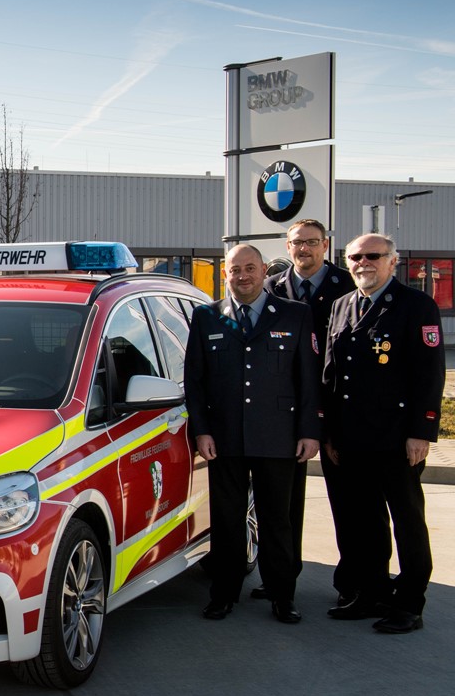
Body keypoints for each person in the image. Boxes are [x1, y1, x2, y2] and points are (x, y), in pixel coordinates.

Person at [185, 244, 320, 624]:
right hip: (224, 438)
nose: (242, 275)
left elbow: (308, 379)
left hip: (278, 437)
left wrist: (310, 431)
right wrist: (202, 430)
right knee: (226, 521)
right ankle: (224, 594)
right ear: (224, 274)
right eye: (234, 269)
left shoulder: (296, 315)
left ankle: (282, 596)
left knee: (276, 521)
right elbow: (194, 381)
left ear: (264, 271)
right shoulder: (207, 316)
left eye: (250, 268)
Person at [322, 233, 444, 634]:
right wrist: (330, 434)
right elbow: (332, 375)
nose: (362, 263)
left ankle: (409, 603)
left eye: (373, 256)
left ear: (393, 261)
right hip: (352, 439)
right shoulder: (342, 305)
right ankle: (371, 593)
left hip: (397, 438)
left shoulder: (416, 306)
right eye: (355, 257)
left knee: (406, 520)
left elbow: (429, 375)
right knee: (364, 521)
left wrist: (421, 432)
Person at [254, 218, 354, 603]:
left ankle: (352, 582)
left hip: (337, 410)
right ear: (287, 245)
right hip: (284, 413)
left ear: (326, 245)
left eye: (312, 242)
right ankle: (282, 575)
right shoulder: (272, 288)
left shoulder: (346, 286)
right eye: (297, 243)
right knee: (283, 504)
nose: (304, 249)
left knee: (347, 503)